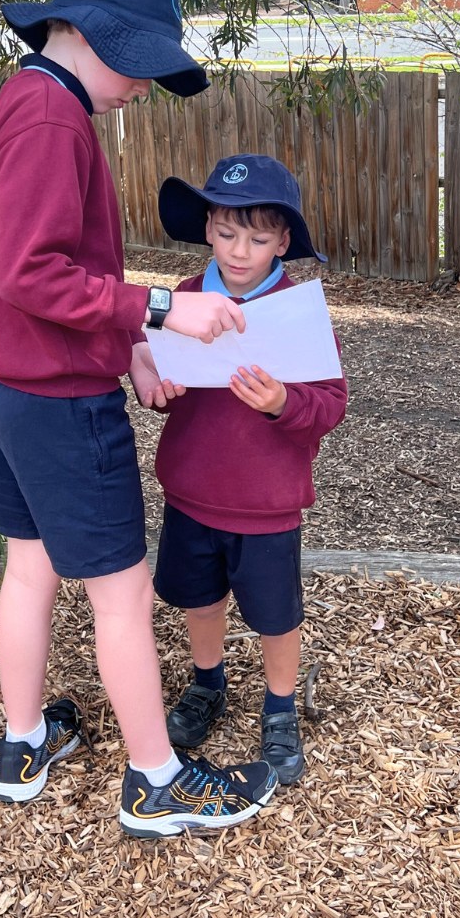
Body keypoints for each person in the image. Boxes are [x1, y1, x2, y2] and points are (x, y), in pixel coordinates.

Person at [0, 0, 278, 838]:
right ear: (94, 35)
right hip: (57, 404)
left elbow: (46, 273)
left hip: (0, 390)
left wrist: (129, 343)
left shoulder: (25, 100)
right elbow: (34, 275)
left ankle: (24, 745)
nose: (144, 83)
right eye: (141, 60)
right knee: (122, 595)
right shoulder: (56, 122)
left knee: (29, 566)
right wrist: (167, 309)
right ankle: (156, 779)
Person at [146, 154, 348, 784]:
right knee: (199, 600)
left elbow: (331, 403)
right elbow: (154, 369)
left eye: (259, 239)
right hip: (192, 489)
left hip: (266, 500)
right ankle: (208, 683)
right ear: (208, 227)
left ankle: (281, 707)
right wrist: (155, 384)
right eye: (229, 233)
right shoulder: (181, 299)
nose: (240, 251)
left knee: (274, 614)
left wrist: (283, 403)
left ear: (282, 242)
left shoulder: (297, 310)